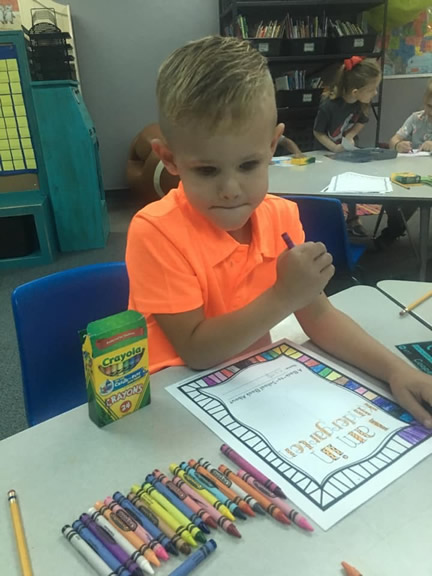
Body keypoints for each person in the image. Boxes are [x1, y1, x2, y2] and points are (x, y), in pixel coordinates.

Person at [126, 36, 432, 428]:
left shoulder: (281, 216)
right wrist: (285, 294)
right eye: (207, 170)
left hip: (254, 387)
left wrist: (395, 370)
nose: (231, 189)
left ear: (272, 147)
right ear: (170, 160)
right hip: (173, 405)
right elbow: (197, 351)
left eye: (249, 165)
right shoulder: (155, 231)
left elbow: (318, 315)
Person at [313, 56, 382, 237]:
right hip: (325, 152)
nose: (375, 93)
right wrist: (334, 148)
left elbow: (361, 122)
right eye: (372, 89)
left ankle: (352, 219)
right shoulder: (328, 106)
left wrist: (350, 135)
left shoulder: (361, 103)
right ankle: (326, 221)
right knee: (327, 186)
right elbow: (318, 132)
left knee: (351, 185)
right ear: (356, 91)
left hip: (347, 151)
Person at [376, 79, 432, 248]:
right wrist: (398, 145)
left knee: (412, 198)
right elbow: (393, 139)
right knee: (390, 192)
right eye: (430, 106)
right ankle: (395, 227)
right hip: (412, 171)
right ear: (424, 101)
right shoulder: (416, 118)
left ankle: (393, 230)